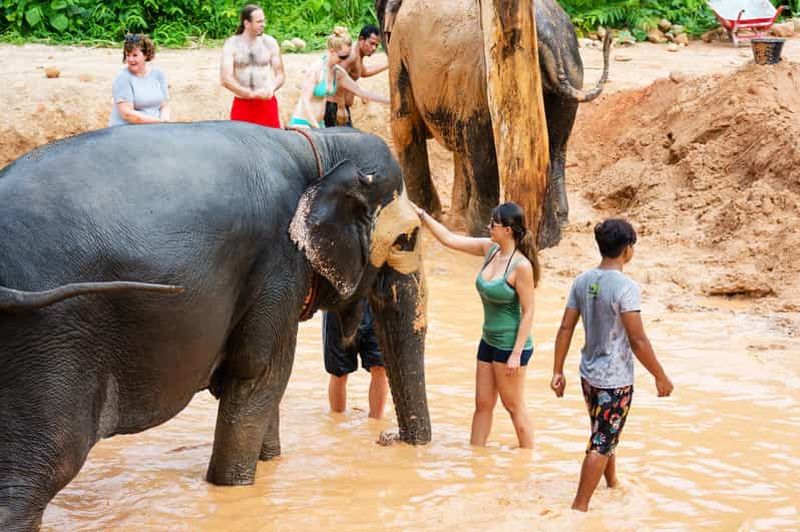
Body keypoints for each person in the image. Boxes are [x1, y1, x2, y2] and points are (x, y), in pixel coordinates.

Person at [550, 218, 674, 512]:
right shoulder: (625, 287)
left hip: (588, 374)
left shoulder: (582, 280)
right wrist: (661, 376)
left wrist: (558, 370)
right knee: (603, 440)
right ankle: (579, 508)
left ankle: (612, 483)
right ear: (627, 250)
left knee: (602, 430)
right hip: (615, 380)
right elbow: (638, 340)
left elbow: (565, 328)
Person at [416, 201, 538, 448]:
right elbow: (449, 239)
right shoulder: (490, 249)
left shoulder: (521, 266)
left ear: (509, 230)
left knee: (513, 405)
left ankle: (528, 459)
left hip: (510, 345)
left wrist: (515, 354)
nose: (489, 226)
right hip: (489, 340)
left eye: (495, 223)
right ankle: (477, 459)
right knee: (482, 404)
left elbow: (529, 311)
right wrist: (422, 215)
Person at [288, 27, 388, 129]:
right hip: (303, 123)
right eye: (342, 57)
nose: (345, 60)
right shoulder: (316, 69)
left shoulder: (338, 72)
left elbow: (360, 91)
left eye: (347, 56)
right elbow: (305, 100)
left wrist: (389, 101)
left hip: (319, 124)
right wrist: (316, 126)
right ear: (332, 51)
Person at [220, 4, 285, 127]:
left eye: (264, 21)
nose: (263, 24)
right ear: (247, 23)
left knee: (271, 143)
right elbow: (225, 79)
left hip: (266, 103)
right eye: (259, 22)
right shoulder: (231, 44)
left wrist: (271, 88)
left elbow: (280, 75)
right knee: (240, 144)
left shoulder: (270, 42)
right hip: (242, 103)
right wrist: (250, 93)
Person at [323, 303, 388, 419]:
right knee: (339, 372)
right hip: (338, 304)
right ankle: (337, 422)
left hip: (375, 305)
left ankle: (376, 423)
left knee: (380, 367)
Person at [324, 24, 388, 127]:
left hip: (339, 106)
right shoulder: (352, 55)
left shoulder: (358, 55)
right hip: (335, 107)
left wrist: (388, 64)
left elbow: (364, 72)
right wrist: (341, 107)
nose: (374, 48)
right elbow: (337, 75)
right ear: (361, 39)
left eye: (376, 45)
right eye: (371, 43)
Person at [109, 34, 171, 126]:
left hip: (154, 128)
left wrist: (164, 123)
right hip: (126, 130)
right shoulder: (123, 78)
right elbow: (127, 114)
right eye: (128, 55)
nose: (130, 59)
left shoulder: (158, 74)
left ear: (146, 55)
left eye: (135, 55)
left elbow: (165, 105)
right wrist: (159, 123)